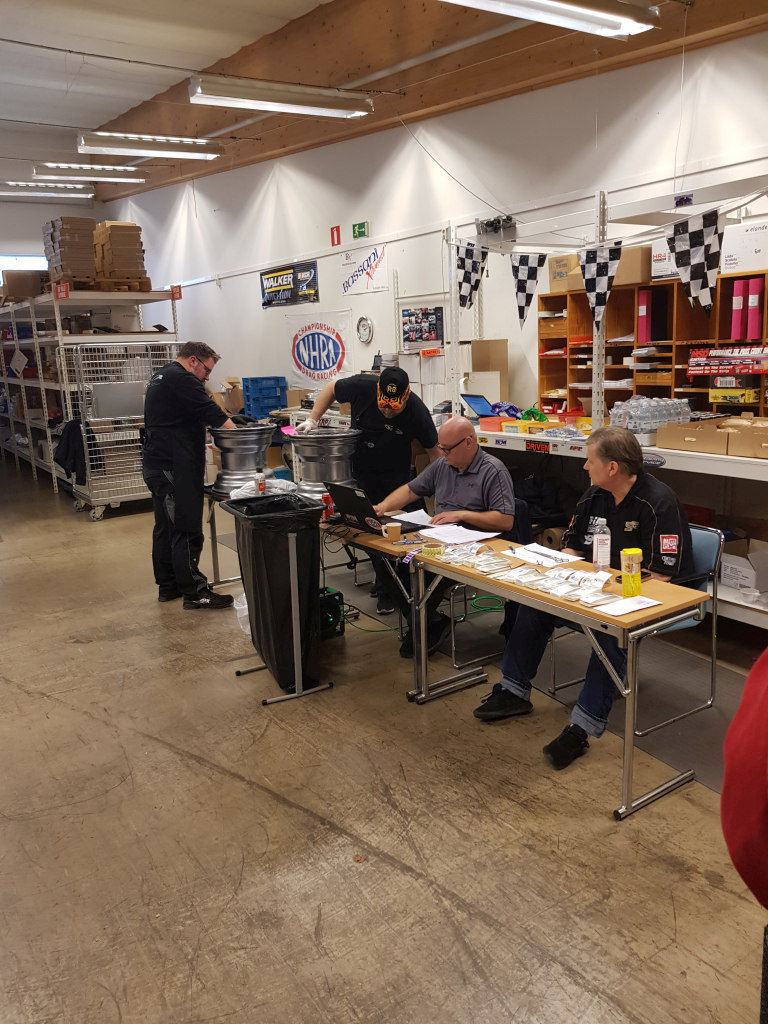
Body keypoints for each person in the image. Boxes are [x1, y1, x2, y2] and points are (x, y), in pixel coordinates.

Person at [473, 425, 693, 769]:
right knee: (534, 605)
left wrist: (606, 588)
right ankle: (514, 691)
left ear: (612, 467)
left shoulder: (658, 502)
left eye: (590, 460)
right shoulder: (593, 496)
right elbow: (573, 547)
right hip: (593, 586)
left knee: (610, 631)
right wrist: (561, 573)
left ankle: (582, 727)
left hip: (645, 594)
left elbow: (663, 575)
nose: (585, 466)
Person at [297, 367, 441, 614]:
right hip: (362, 472)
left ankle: (401, 588)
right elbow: (331, 388)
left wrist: (437, 495)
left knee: (405, 532)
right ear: (377, 391)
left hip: (396, 478)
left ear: (406, 396)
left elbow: (435, 455)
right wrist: (313, 419)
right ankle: (386, 585)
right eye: (383, 405)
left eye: (394, 408)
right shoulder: (361, 386)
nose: (387, 411)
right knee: (370, 529)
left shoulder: (417, 411)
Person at [374, 416, 516, 657]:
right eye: (441, 447)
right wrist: (382, 507)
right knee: (386, 562)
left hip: (475, 546)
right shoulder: (443, 465)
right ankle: (430, 623)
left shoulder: (493, 470)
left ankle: (424, 626)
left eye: (448, 448)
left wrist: (461, 514)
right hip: (440, 538)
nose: (443, 453)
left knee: (424, 576)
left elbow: (505, 520)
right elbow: (410, 490)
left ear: (469, 442)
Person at [142, 341, 237, 609]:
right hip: (174, 466)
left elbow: (189, 412)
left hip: (158, 464)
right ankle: (195, 593)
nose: (207, 377)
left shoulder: (163, 375)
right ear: (193, 360)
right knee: (186, 527)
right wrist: (238, 433)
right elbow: (211, 412)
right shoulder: (182, 378)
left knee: (166, 527)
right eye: (207, 370)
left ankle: (168, 586)